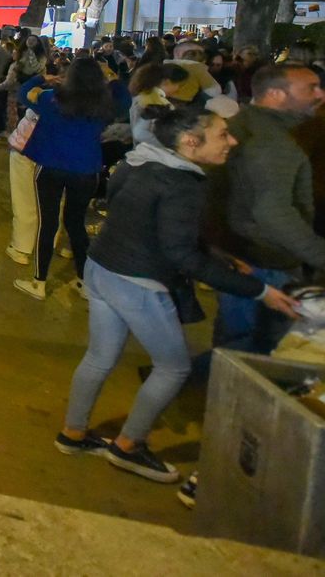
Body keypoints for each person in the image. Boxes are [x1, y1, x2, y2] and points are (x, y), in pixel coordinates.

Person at [56, 107, 299, 485]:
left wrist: (219, 256)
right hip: (138, 283)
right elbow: (181, 255)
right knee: (173, 367)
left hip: (101, 268)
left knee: (99, 356)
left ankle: (72, 434)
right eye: (222, 135)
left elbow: (142, 219)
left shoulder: (137, 162)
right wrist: (261, 291)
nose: (231, 142)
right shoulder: (183, 184)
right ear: (189, 141)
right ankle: (128, 446)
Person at [209, 63, 325, 355]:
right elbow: (273, 212)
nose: (320, 94)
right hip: (263, 260)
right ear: (275, 94)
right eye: (310, 88)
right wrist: (318, 254)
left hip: (242, 253)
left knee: (240, 343)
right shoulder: (272, 143)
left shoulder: (246, 124)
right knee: (251, 348)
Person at [13, 60, 120, 300]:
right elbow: (125, 98)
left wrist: (44, 79)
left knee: (47, 223)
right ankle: (84, 280)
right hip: (85, 169)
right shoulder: (104, 104)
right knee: (75, 223)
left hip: (50, 166)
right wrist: (111, 75)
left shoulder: (51, 98)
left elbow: (23, 93)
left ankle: (39, 282)